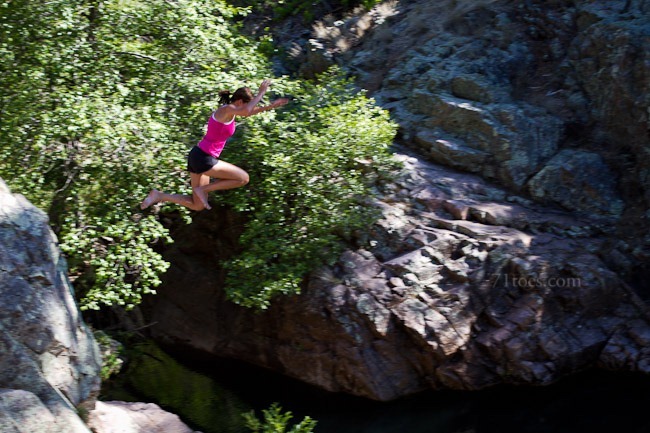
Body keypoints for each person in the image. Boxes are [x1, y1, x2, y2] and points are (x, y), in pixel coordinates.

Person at [140, 79, 288, 211]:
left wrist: (270, 106)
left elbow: (249, 112)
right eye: (246, 104)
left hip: (198, 156)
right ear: (239, 102)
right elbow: (247, 111)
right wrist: (261, 92)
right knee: (243, 178)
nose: (246, 109)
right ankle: (203, 189)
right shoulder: (226, 109)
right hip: (204, 157)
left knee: (197, 205)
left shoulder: (230, 113)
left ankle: (159, 195)